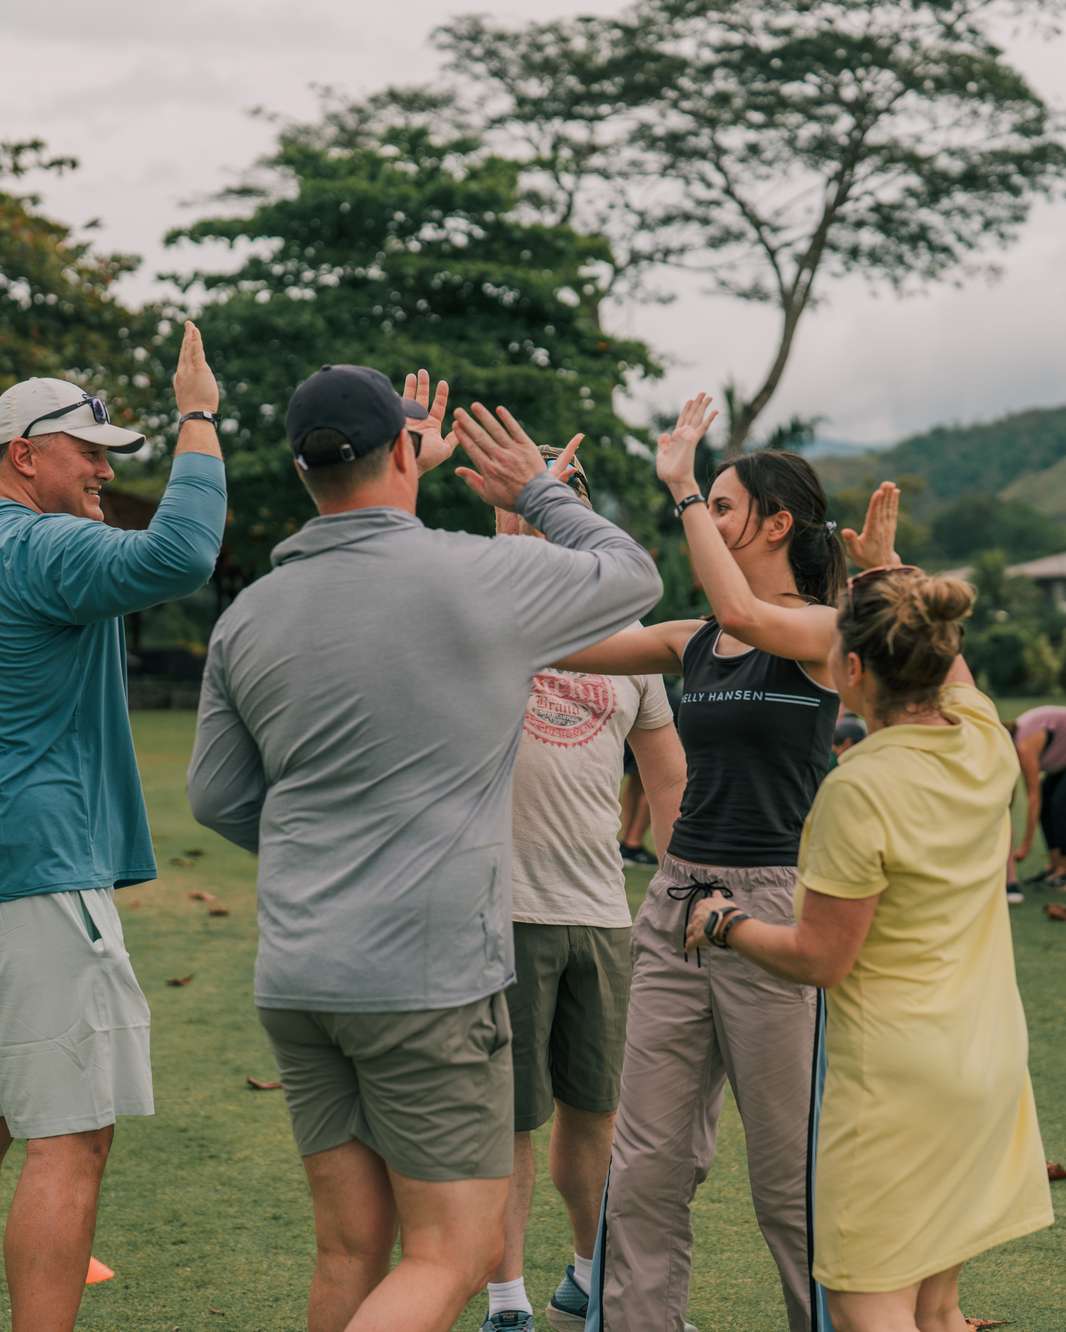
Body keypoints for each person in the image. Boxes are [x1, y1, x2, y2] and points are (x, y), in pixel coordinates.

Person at [186, 367, 662, 1332]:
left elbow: (218, 797)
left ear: (301, 467)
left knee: (350, 1249)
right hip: (427, 977)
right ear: (406, 451)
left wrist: (319, 851)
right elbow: (636, 576)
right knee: (447, 1252)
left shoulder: (250, 614)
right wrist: (534, 490)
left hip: (300, 975)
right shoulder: (475, 573)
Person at [567, 394, 901, 1332]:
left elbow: (746, 610)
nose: (706, 518)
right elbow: (553, 642)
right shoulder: (692, 641)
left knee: (789, 1181)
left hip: (779, 907)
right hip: (676, 903)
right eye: (704, 503)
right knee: (645, 1169)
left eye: (721, 506)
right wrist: (543, 524)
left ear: (776, 522)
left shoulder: (828, 635)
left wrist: (676, 487)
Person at [686, 566, 1054, 1332]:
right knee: (939, 1309)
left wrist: (723, 922)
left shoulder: (859, 788)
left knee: (870, 1307)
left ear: (851, 670)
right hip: (987, 1064)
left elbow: (821, 958)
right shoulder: (984, 738)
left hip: (898, 1085)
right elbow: (951, 668)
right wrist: (891, 574)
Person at [0, 324, 226, 1332]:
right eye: (86, 449)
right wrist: (197, 417)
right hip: (37, 873)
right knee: (69, 1133)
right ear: (21, 455)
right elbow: (182, 554)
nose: (103, 470)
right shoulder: (41, 546)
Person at [484, 448, 687, 1332]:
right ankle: (505, 1300)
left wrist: (682, 889)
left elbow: (668, 777)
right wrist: (502, 524)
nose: (545, 513)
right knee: (509, 1119)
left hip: (602, 912)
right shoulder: (483, 610)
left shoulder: (632, 642)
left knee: (596, 1111)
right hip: (501, 909)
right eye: (534, 500)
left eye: (561, 501)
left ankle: (587, 1272)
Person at [1006, 706, 1066, 888]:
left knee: (1059, 805)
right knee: (1048, 803)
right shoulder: (1015, 744)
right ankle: (1055, 866)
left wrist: (1025, 845)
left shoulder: (1024, 747)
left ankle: (1064, 869)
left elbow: (1033, 796)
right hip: (1061, 761)